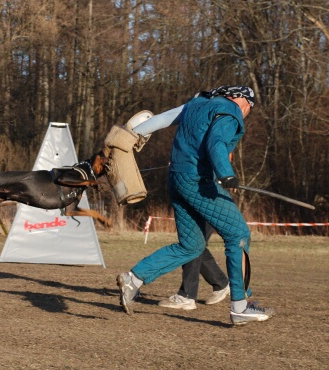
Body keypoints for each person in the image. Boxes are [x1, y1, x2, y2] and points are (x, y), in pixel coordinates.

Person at [117, 85, 275, 325]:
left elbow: (158, 121)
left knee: (191, 246)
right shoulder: (230, 110)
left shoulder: (195, 105)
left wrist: (129, 135)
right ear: (242, 100)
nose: (246, 113)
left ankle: (134, 279)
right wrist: (225, 173)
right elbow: (216, 142)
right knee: (239, 235)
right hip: (198, 182)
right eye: (249, 108)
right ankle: (241, 306)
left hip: (177, 179)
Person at [158, 223, 229, 310]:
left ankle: (187, 296)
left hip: (205, 210)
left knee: (192, 245)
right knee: (197, 246)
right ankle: (221, 283)